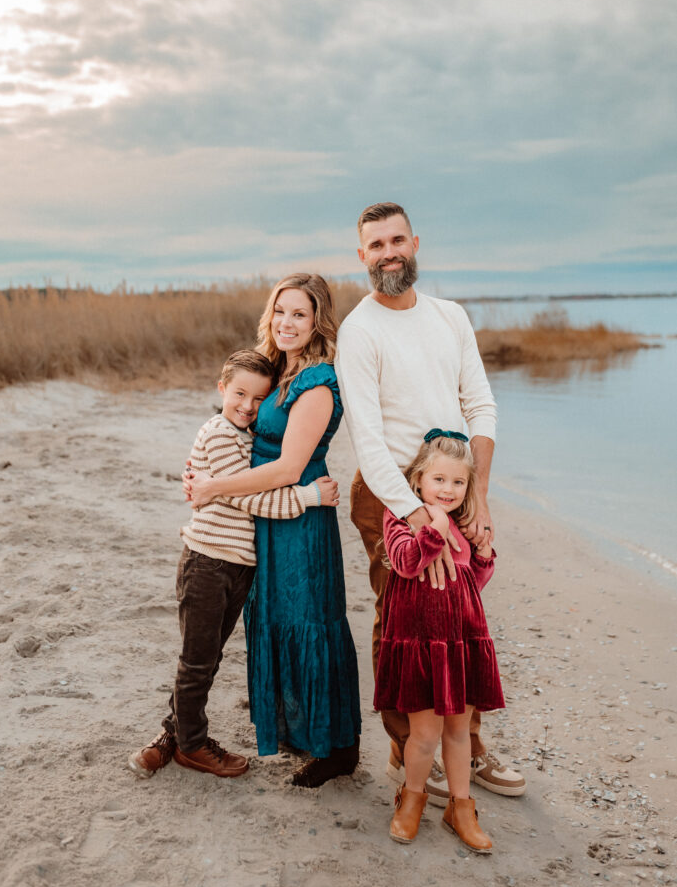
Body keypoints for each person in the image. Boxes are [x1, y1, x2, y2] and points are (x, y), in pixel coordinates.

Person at [335, 201, 525, 803]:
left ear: (415, 243)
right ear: (361, 256)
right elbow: (366, 437)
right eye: (376, 244)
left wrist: (479, 498)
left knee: (462, 619)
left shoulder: (450, 316)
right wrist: (419, 517)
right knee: (402, 619)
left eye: (397, 240)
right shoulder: (360, 330)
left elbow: (482, 404)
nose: (389, 252)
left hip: (456, 486)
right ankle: (406, 746)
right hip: (390, 496)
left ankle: (467, 746)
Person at [185, 274, 361, 787]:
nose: (287, 322)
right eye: (280, 311)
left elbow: (288, 467)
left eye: (300, 314)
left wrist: (215, 487)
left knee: (310, 620)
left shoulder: (318, 381)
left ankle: (337, 749)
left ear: (317, 321)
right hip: (261, 514)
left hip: (301, 516)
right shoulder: (273, 369)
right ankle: (298, 731)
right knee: (273, 619)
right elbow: (231, 425)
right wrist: (198, 468)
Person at [128, 349, 337, 780]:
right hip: (208, 563)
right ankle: (191, 745)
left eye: (259, 399)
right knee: (197, 659)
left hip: (235, 567)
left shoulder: (245, 437)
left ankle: (173, 733)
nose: (248, 406)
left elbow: (236, 487)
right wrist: (308, 497)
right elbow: (247, 497)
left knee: (206, 657)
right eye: (239, 393)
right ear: (221, 388)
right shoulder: (221, 433)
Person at [375, 430, 504, 850]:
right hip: (420, 644)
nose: (448, 490)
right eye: (439, 480)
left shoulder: (464, 526)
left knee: (458, 732)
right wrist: (436, 526)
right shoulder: (398, 518)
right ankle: (411, 799)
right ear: (417, 481)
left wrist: (482, 555)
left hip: (462, 642)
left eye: (458, 482)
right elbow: (408, 563)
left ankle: (461, 807)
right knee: (424, 734)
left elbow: (470, 583)